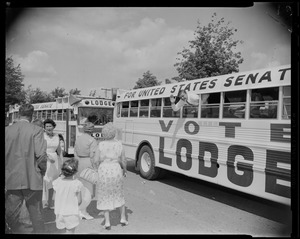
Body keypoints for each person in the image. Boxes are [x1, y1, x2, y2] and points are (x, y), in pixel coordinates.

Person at [5, 103, 48, 233]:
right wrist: (43, 171)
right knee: (36, 213)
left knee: (12, 214)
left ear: (18, 114)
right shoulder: (36, 130)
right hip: (32, 178)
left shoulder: (7, 130)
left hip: (11, 177)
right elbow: (41, 156)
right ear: (32, 115)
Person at [94, 122, 128, 230]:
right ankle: (123, 218)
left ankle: (107, 222)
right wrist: (125, 170)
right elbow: (123, 160)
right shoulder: (119, 144)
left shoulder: (100, 144)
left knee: (104, 194)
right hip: (116, 168)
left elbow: (95, 160)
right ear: (114, 133)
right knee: (118, 193)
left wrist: (97, 168)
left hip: (104, 169)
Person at [19, 118, 45, 227]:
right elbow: (41, 157)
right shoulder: (39, 138)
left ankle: (26, 218)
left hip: (21, 170)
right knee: (34, 199)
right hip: (35, 171)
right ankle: (32, 221)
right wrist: (43, 170)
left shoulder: (24, 137)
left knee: (25, 196)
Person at [74, 121, 98, 220]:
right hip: (88, 162)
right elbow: (93, 156)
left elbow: (75, 152)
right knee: (88, 188)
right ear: (92, 130)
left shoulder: (78, 138)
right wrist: (95, 168)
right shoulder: (92, 140)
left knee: (80, 186)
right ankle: (82, 210)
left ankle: (79, 208)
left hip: (79, 162)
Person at [52, 158, 83, 234]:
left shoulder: (57, 182)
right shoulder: (77, 184)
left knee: (62, 231)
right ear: (75, 172)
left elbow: (53, 198)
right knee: (70, 231)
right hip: (71, 212)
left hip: (59, 212)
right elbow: (79, 201)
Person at [42, 118, 63, 209]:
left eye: (50, 126)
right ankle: (43, 202)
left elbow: (59, 150)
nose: (48, 128)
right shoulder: (42, 136)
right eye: (47, 126)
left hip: (55, 160)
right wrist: (47, 157)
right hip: (44, 158)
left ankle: (50, 201)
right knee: (45, 181)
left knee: (53, 182)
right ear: (44, 127)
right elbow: (40, 149)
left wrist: (61, 163)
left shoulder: (57, 136)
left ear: (53, 126)